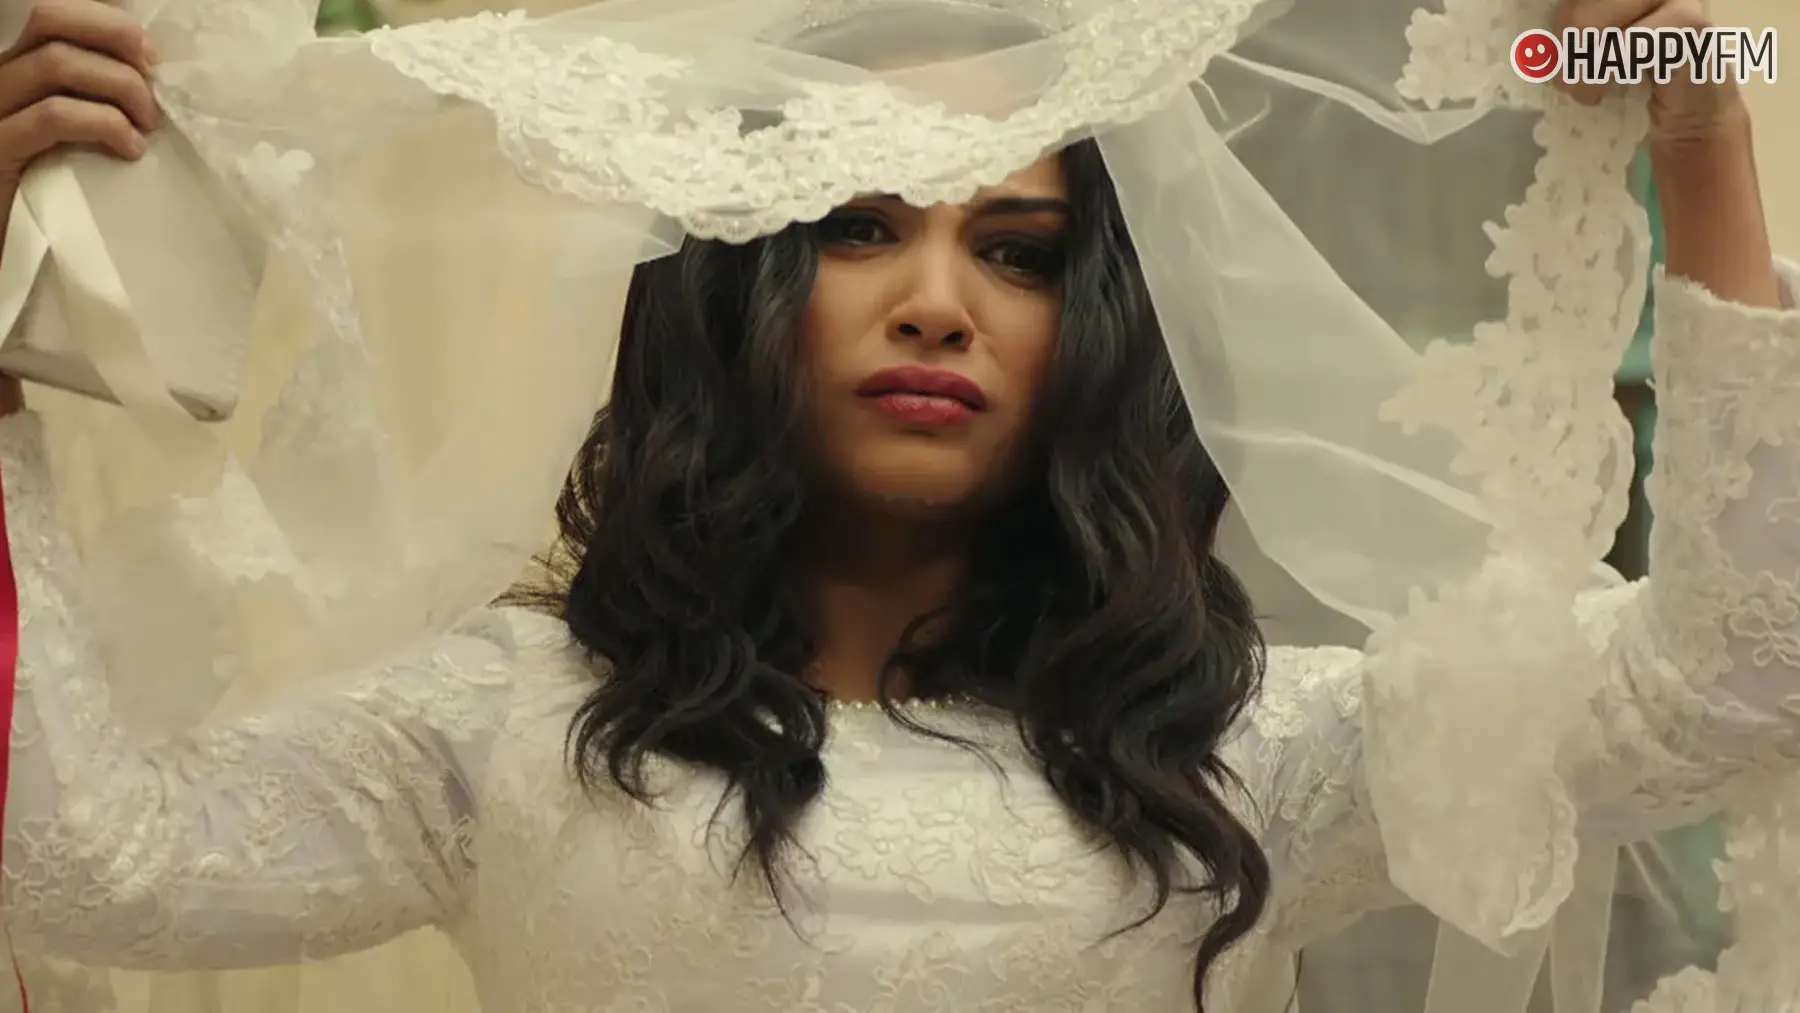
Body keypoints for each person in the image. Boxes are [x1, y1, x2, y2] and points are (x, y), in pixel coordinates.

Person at [0, 0, 1794, 1011]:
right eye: (861, 225)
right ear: (736, 282)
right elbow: (88, 859)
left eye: (1017, 251)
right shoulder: (509, 725)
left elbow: (1728, 683)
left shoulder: (1239, 756)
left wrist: (1702, 130)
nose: (936, 300)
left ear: (1090, 333)